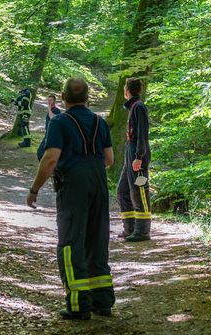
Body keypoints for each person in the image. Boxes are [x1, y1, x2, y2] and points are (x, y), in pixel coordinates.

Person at [26, 78, 115, 320]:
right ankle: (102, 301)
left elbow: (51, 158)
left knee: (70, 242)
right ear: (88, 98)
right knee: (97, 238)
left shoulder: (60, 122)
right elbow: (109, 160)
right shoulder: (100, 122)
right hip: (98, 181)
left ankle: (78, 305)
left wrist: (35, 189)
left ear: (64, 98)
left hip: (73, 184)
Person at [117, 78, 152, 242]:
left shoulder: (139, 107)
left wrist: (139, 156)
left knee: (140, 191)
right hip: (130, 152)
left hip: (138, 154)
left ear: (127, 90)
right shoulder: (133, 107)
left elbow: (143, 134)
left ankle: (143, 231)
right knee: (123, 191)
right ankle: (130, 228)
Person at [36, 94, 61, 161]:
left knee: (42, 152)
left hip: (52, 135)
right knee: (40, 152)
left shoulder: (57, 110)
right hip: (47, 134)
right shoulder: (50, 110)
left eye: (51, 100)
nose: (49, 101)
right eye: (48, 100)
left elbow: (52, 118)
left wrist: (49, 109)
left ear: (54, 101)